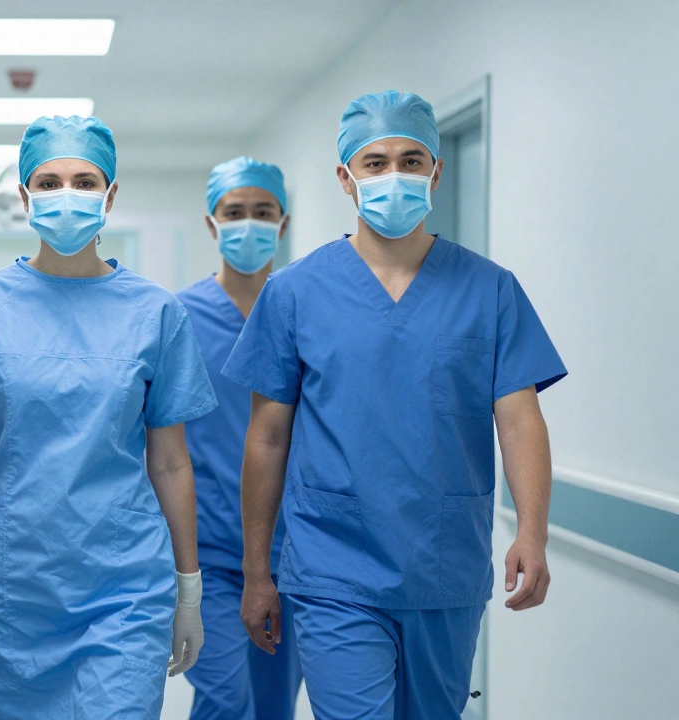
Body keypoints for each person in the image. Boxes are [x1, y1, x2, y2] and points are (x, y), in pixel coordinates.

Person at [227, 90, 567, 719]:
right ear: (345, 177)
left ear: (436, 171)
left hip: (443, 562)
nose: (394, 176)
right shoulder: (295, 292)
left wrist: (532, 531)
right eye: (375, 162)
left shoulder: (490, 289)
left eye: (412, 161)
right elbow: (267, 438)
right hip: (334, 567)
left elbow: (520, 420)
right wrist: (256, 571)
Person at [0, 115, 217, 719]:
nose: (65, 194)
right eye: (48, 182)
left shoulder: (156, 312)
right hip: (12, 584)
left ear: (111, 195)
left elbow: (172, 462)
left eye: (83, 179)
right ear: (23, 196)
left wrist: (188, 589)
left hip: (125, 585)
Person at [176, 157, 302, 719]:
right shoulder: (178, 317)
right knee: (226, 700)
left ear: (283, 221)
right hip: (209, 551)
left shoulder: (305, 308)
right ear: (211, 222)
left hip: (297, 550)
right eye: (234, 213)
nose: (248, 223)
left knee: (274, 705)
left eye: (262, 212)